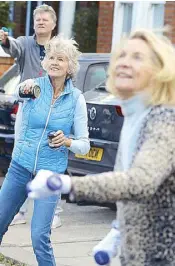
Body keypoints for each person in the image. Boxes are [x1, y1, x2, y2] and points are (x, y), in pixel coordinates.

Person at [27, 28, 175, 266]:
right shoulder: (135, 116)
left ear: (160, 72)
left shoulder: (165, 120)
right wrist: (117, 233)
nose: (124, 62)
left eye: (138, 57)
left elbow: (140, 182)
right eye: (122, 55)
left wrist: (65, 183)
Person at [0, 34, 90, 266]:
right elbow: (18, 93)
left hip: (49, 174)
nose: (54, 62)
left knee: (39, 236)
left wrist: (67, 141)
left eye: (60, 59)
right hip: (20, 166)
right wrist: (23, 87)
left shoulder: (76, 99)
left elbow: (84, 145)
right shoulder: (34, 87)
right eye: (51, 57)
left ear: (70, 66)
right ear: (44, 61)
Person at [0, 4, 63, 228]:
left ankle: (55, 212)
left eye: (45, 19)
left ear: (53, 24)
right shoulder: (26, 43)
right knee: (21, 160)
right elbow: (13, 48)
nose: (41, 22)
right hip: (27, 112)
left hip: (53, 111)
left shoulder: (59, 47)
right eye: (38, 19)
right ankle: (19, 209)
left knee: (51, 161)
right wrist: (5, 41)